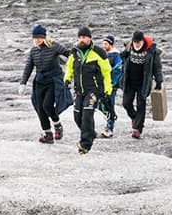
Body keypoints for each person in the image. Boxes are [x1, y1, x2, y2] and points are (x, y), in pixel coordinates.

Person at [64, 26, 112, 155]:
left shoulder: (99, 52)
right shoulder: (75, 52)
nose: (82, 40)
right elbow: (69, 67)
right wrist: (67, 79)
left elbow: (107, 73)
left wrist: (108, 90)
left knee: (87, 116)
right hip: (79, 90)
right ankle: (90, 133)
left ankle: (85, 145)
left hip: (93, 90)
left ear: (90, 38)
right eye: (80, 37)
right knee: (77, 117)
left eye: (84, 37)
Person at [19, 24, 71, 143]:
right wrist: (23, 83)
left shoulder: (54, 46)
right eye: (35, 38)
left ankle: (57, 125)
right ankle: (48, 134)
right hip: (39, 82)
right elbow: (28, 67)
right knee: (40, 108)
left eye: (39, 37)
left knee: (47, 105)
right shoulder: (33, 51)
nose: (37, 40)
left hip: (53, 81)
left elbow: (69, 54)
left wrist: (72, 68)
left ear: (44, 37)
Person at [119, 30, 163, 139]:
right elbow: (122, 59)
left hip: (143, 83)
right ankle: (135, 118)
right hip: (129, 82)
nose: (137, 44)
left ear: (143, 41)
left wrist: (159, 81)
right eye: (135, 42)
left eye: (138, 42)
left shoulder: (152, 52)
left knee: (141, 105)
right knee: (126, 103)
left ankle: (138, 129)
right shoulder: (129, 48)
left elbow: (157, 68)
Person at [98, 35, 122, 138]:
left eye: (106, 44)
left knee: (110, 105)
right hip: (102, 84)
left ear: (110, 45)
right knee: (101, 105)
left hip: (111, 85)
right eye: (103, 43)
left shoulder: (115, 55)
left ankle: (109, 128)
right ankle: (111, 116)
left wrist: (112, 82)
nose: (103, 45)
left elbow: (118, 69)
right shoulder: (102, 54)